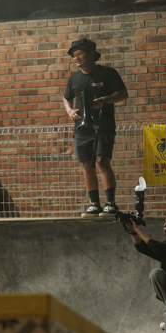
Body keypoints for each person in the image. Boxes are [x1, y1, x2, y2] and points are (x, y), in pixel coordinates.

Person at [62, 37, 129, 218]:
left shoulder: (107, 73)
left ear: (92, 54)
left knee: (101, 161)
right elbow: (66, 97)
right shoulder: (74, 78)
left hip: (104, 126)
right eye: (73, 55)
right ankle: (94, 204)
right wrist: (69, 111)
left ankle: (111, 204)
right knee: (86, 164)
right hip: (81, 128)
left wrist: (105, 100)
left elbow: (123, 94)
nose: (76, 58)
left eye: (79, 54)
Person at [122, 211, 166, 333]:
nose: (164, 225)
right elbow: (143, 247)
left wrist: (138, 230)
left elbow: (159, 247)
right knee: (156, 274)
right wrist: (132, 231)